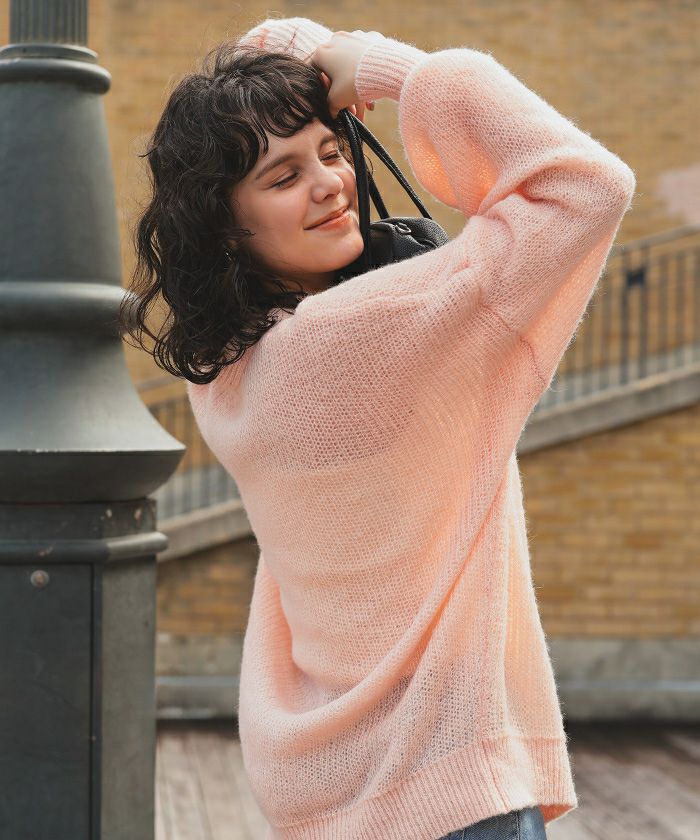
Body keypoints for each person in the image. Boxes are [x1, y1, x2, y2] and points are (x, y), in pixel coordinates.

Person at [120, 16, 636, 840]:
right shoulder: (360, 337)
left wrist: (288, 89)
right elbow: (583, 185)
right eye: (284, 177)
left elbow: (262, 43)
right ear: (226, 225)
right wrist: (390, 69)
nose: (331, 184)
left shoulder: (226, 368)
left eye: (332, 153)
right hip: (445, 782)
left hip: (334, 787)